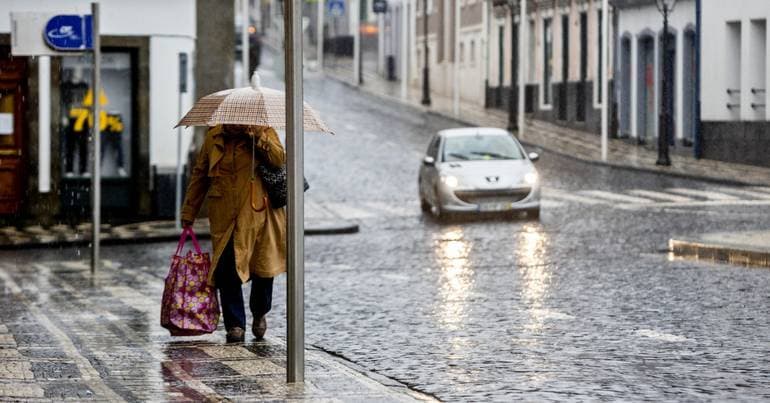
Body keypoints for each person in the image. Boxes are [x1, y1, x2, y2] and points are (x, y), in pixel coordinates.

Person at [181, 124, 286, 343]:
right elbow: (200, 175)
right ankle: (235, 324)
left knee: (262, 269)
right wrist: (189, 211)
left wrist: (257, 137)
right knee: (226, 269)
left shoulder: (263, 131)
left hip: (259, 214)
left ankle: (260, 312)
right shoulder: (214, 137)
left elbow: (279, 159)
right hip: (225, 216)